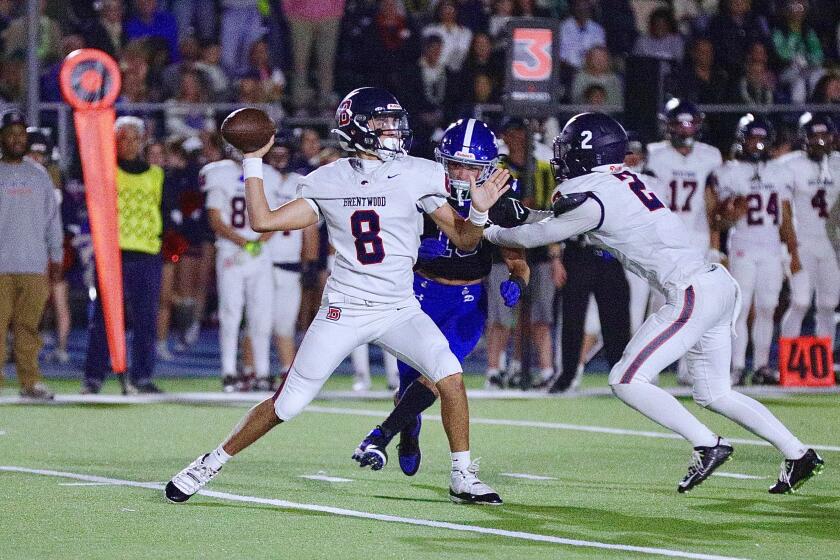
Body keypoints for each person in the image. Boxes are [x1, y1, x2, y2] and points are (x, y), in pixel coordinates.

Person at [165, 87, 508, 505]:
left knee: (450, 377)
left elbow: (466, 240)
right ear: (359, 128)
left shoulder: (418, 173)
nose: (394, 130)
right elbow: (262, 220)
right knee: (286, 405)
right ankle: (209, 462)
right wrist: (252, 161)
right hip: (343, 310)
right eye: (383, 123)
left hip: (399, 308)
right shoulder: (326, 180)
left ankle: (462, 475)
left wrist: (478, 211)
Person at [484, 112, 824, 495]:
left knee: (626, 379)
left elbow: (541, 234)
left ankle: (707, 443)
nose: (561, 157)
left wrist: (487, 228)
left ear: (586, 151)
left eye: (567, 147)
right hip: (716, 284)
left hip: (690, 290)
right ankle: (797, 452)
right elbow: (572, 220)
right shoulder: (627, 180)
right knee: (715, 393)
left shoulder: (588, 191)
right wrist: (526, 215)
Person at [351, 118, 529, 476]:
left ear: (488, 169)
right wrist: (415, 249)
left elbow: (518, 261)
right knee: (408, 386)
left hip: (466, 304)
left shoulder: (500, 201)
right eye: (455, 164)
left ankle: (381, 434)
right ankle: (408, 430)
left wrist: (517, 283)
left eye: (471, 166)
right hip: (418, 296)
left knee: (438, 374)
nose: (462, 174)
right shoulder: (422, 191)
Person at [715, 114, 800, 386]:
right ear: (742, 140)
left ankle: (762, 365)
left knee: (767, 307)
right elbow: (718, 218)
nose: (758, 145)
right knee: (740, 309)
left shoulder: (779, 172)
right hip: (743, 245)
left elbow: (785, 214)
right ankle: (738, 367)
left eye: (763, 139)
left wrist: (793, 250)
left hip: (772, 248)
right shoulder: (729, 172)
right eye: (753, 138)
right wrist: (731, 210)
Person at [83, 117, 165, 395]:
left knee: (146, 319)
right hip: (112, 255)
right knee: (104, 320)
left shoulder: (157, 175)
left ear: (142, 142)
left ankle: (141, 377)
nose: (129, 144)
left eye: (134, 139)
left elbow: (162, 211)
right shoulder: (105, 172)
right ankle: (94, 376)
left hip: (146, 254)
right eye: (123, 139)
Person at [645, 99, 724, 385]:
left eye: (690, 123)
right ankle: (649, 365)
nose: (686, 129)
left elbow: (713, 203)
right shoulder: (653, 155)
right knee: (660, 303)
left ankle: (689, 369)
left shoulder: (710, 156)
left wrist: (715, 244)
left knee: (696, 305)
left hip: (696, 238)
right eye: (680, 123)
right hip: (663, 238)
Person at [201, 139, 279, 392]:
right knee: (230, 313)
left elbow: (276, 215)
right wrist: (244, 242)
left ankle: (262, 371)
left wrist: (257, 242)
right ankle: (228, 371)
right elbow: (214, 217)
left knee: (262, 315)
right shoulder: (218, 173)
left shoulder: (269, 175)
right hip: (231, 251)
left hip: (258, 252)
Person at [0, 110, 61, 400]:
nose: (16, 139)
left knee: (29, 328)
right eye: (10, 133)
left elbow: (53, 219)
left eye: (21, 134)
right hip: (1, 265)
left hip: (34, 264)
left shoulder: (39, 175)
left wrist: (57, 255)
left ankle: (30, 382)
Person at [779, 113, 840, 350]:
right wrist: (789, 249)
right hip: (802, 242)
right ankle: (788, 362)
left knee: (828, 304)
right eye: (814, 135)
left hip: (831, 245)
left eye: (824, 135)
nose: (820, 141)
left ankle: (822, 362)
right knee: (800, 302)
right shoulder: (790, 165)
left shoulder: (837, 162)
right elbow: (783, 211)